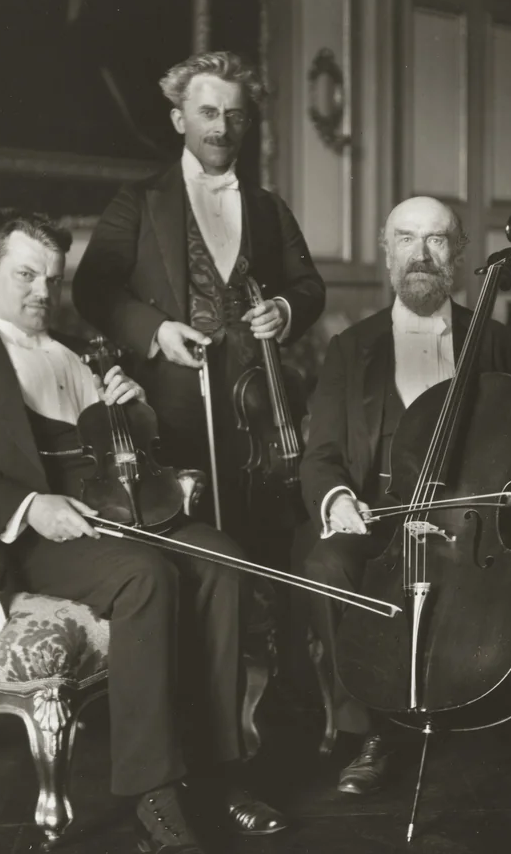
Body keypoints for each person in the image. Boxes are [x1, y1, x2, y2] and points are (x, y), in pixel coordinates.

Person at [0, 210, 287, 854]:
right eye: (26, 275)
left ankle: (219, 772)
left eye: (52, 279)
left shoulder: (82, 352)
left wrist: (130, 410)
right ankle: (153, 798)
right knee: (145, 575)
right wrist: (28, 505)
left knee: (224, 558)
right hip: (35, 535)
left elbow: (124, 455)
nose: (42, 291)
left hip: (118, 513)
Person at [299, 196, 511, 815]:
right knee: (327, 566)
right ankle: (373, 730)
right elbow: (323, 455)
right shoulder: (350, 347)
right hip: (384, 513)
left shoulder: (496, 340)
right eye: (406, 239)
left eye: (436, 240)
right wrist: (337, 500)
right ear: (387, 253)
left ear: (459, 255)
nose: (421, 254)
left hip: (480, 513)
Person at [72, 50, 325, 562]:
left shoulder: (269, 208)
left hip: (258, 407)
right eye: (208, 113)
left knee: (266, 539)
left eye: (234, 115)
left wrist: (283, 308)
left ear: (246, 124)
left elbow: (309, 287)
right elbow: (92, 289)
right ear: (178, 119)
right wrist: (158, 330)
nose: (221, 128)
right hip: (169, 406)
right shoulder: (138, 201)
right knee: (192, 545)